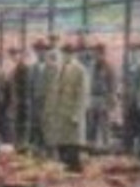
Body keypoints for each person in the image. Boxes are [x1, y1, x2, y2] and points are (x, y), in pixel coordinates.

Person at [42, 42, 90, 171]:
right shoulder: (60, 69)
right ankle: (66, 178)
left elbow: (82, 95)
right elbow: (54, 92)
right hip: (60, 116)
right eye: (64, 53)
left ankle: (75, 177)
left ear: (74, 54)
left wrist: (77, 115)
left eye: (68, 53)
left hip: (71, 117)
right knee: (62, 148)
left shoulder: (80, 70)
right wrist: (49, 111)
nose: (65, 56)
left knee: (72, 150)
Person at [86, 44, 115, 151]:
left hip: (104, 97)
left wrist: (111, 99)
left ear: (103, 54)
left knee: (104, 123)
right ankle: (92, 144)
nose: (97, 56)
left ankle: (106, 145)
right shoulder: (92, 66)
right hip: (93, 97)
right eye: (95, 53)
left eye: (99, 54)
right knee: (92, 122)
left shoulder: (108, 67)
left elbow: (112, 84)